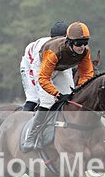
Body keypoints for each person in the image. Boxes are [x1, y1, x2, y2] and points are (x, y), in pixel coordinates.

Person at [23, 21, 95, 150]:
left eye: (85, 43)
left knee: (70, 98)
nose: (82, 47)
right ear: (69, 42)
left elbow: (86, 74)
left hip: (60, 67)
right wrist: (57, 94)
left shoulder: (85, 51)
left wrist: (80, 90)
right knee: (48, 101)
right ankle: (31, 137)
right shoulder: (53, 52)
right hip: (40, 66)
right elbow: (44, 78)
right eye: (78, 44)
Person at [19, 21, 69, 111]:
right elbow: (41, 76)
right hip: (31, 65)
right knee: (34, 99)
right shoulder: (45, 49)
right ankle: (25, 118)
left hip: (52, 66)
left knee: (68, 96)